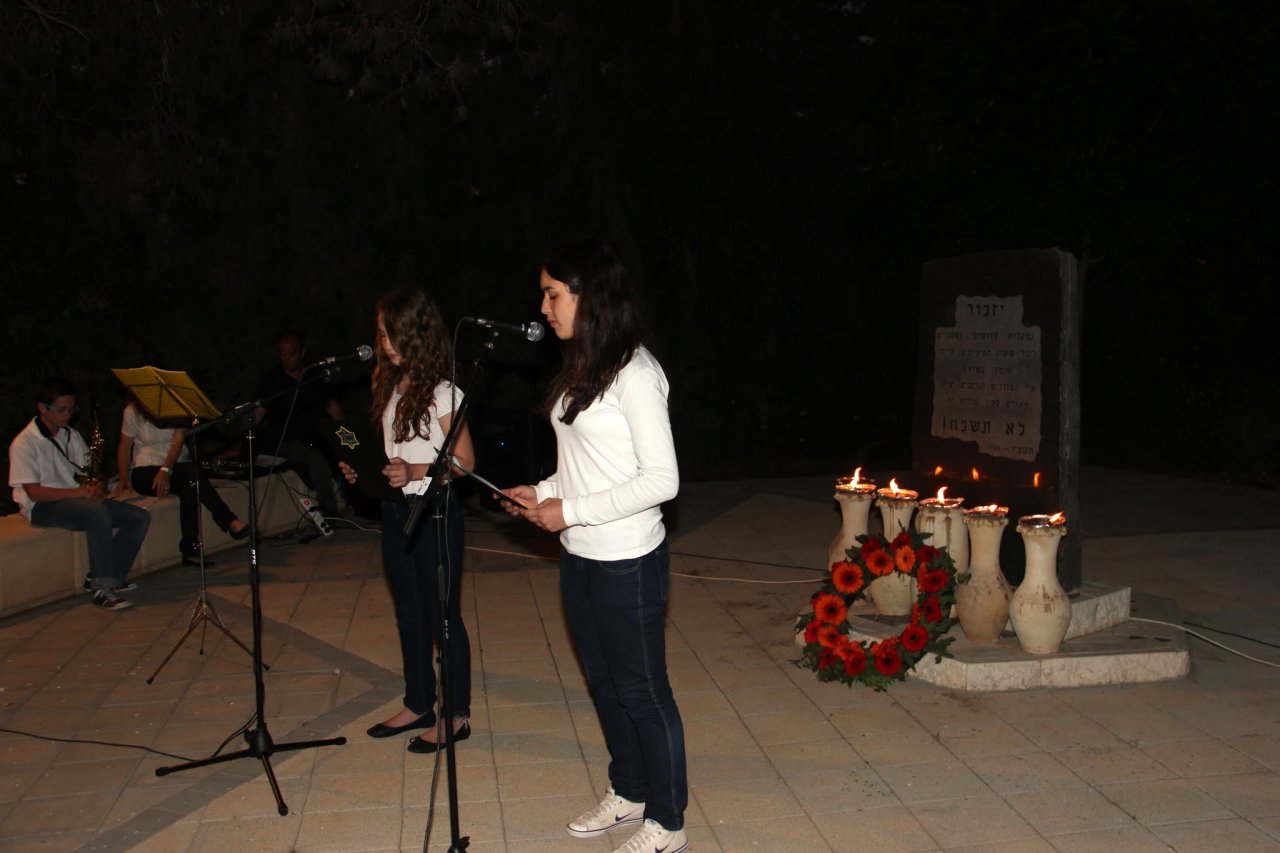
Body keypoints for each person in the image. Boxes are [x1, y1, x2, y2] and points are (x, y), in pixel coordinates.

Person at [501, 238, 687, 853]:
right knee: (604, 684)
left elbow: (662, 480)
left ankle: (668, 822)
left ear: (589, 297)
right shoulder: (583, 367)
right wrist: (543, 491)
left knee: (643, 690)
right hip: (579, 554)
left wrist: (569, 510)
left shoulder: (637, 374)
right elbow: (586, 465)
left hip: (628, 560)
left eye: (552, 294)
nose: (543, 306)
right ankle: (629, 790)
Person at [340, 287, 475, 753]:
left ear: (417, 333)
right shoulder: (388, 384)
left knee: (442, 616)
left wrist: (417, 471)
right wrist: (366, 471)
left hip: (435, 510)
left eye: (392, 333)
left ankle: (457, 714)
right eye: (381, 334)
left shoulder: (444, 392)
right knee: (409, 613)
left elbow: (465, 463)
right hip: (395, 509)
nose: (385, 343)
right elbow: (391, 454)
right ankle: (419, 702)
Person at [8, 377, 151, 611]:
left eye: (72, 409)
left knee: (139, 517)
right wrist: (81, 492)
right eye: (61, 409)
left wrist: (98, 487)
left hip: (73, 499)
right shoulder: (24, 443)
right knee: (98, 515)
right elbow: (34, 493)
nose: (68, 415)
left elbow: (90, 471)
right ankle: (102, 589)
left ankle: (109, 576)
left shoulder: (70, 435)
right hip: (41, 506)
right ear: (43, 408)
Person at [112, 397, 249, 564]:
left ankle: (191, 549)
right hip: (145, 468)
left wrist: (165, 469)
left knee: (190, 484)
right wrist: (124, 477)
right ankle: (228, 520)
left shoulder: (176, 406)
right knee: (191, 474)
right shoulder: (133, 411)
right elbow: (125, 446)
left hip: (176, 467)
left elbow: (178, 441)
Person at [233, 332, 347, 516]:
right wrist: (237, 439)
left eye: (291, 354)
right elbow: (257, 415)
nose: (287, 359)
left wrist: (346, 434)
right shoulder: (273, 380)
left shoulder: (314, 374)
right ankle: (329, 510)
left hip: (318, 434)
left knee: (342, 451)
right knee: (315, 459)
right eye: (283, 354)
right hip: (286, 440)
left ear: (302, 352)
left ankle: (353, 500)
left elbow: (333, 407)